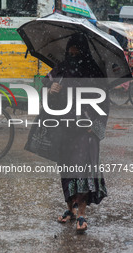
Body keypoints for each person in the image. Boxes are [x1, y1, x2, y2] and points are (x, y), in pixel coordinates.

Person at [43, 33, 108, 233]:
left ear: (84, 50)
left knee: (82, 171)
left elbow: (104, 102)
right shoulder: (62, 68)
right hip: (64, 127)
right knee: (66, 171)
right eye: (70, 49)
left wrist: (95, 125)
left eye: (76, 49)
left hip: (85, 130)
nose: (72, 53)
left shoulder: (94, 73)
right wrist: (50, 88)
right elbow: (46, 84)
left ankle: (82, 214)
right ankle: (70, 210)